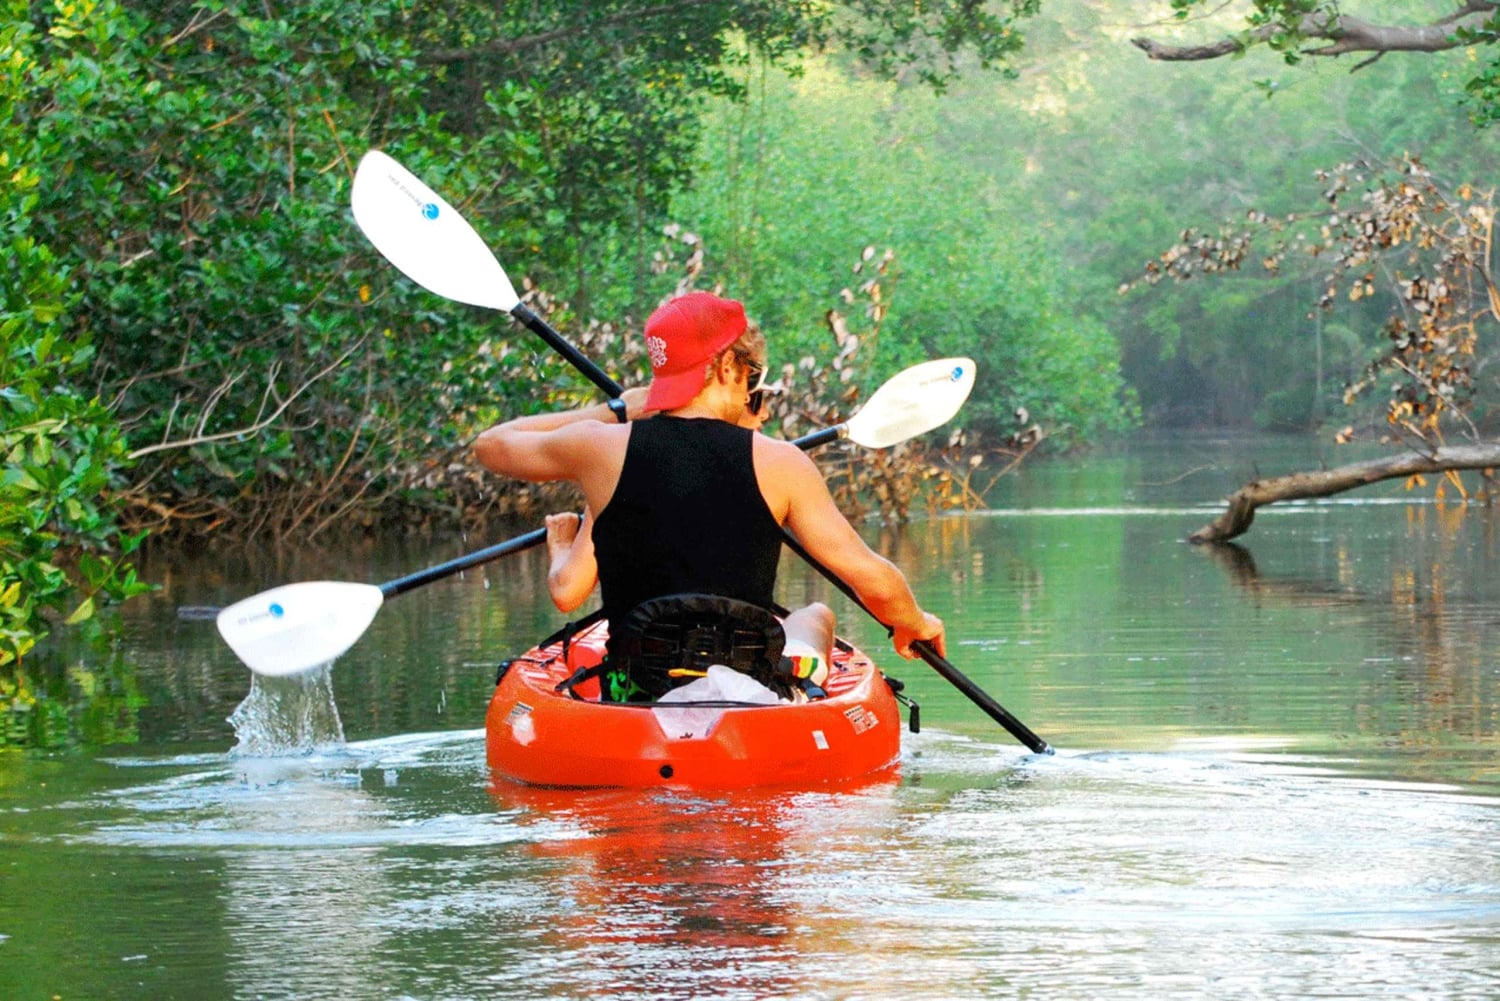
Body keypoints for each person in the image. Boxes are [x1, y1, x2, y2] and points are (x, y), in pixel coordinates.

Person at [474, 291, 944, 699]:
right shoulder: (781, 463)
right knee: (815, 615)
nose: (752, 387)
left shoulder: (596, 447)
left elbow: (492, 445)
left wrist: (613, 410)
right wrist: (915, 622)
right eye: (752, 373)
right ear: (725, 367)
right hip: (752, 690)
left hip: (634, 689)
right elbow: (871, 576)